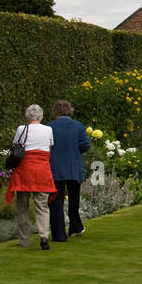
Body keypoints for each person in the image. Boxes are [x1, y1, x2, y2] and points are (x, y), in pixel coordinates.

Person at [4, 104, 56, 249]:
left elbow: (16, 147)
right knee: (42, 206)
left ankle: (24, 240)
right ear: (41, 117)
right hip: (42, 170)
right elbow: (49, 150)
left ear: (27, 117)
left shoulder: (22, 129)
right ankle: (44, 236)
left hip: (24, 170)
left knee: (22, 205)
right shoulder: (48, 129)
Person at [47, 100, 91, 242]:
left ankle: (59, 234)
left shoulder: (49, 127)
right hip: (73, 167)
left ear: (55, 111)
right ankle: (75, 227)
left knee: (55, 201)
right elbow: (85, 145)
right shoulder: (78, 126)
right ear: (69, 110)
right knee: (74, 199)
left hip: (55, 167)